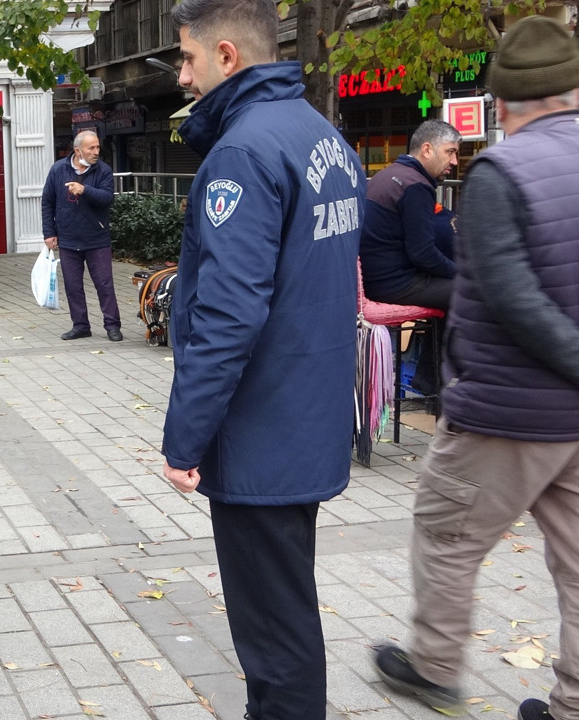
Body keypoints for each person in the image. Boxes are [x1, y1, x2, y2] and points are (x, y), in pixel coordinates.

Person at [160, 1, 365, 718]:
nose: (180, 76)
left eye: (185, 58)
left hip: (262, 428)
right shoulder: (323, 137)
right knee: (286, 606)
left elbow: (229, 313)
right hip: (304, 414)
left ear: (225, 56)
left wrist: (184, 437)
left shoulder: (244, 152)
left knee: (273, 631)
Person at [370, 17, 579, 720]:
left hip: (507, 410)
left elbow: (508, 294)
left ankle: (432, 669)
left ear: (505, 100)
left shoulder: (503, 170)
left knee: (446, 533)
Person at [360, 119, 460, 310]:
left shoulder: (389, 174)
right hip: (393, 284)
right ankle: (447, 341)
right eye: (450, 152)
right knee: (476, 291)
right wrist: (461, 272)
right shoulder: (415, 186)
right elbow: (423, 253)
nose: (454, 161)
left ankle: (435, 340)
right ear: (427, 149)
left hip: (372, 279)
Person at [42, 130, 121, 341]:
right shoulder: (58, 169)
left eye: (97, 147)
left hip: (97, 238)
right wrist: (49, 233)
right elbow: (47, 202)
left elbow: (107, 198)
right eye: (91, 148)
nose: (96, 151)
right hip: (68, 239)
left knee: (104, 284)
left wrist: (84, 190)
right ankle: (80, 325)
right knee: (73, 286)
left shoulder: (103, 170)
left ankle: (112, 325)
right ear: (78, 150)